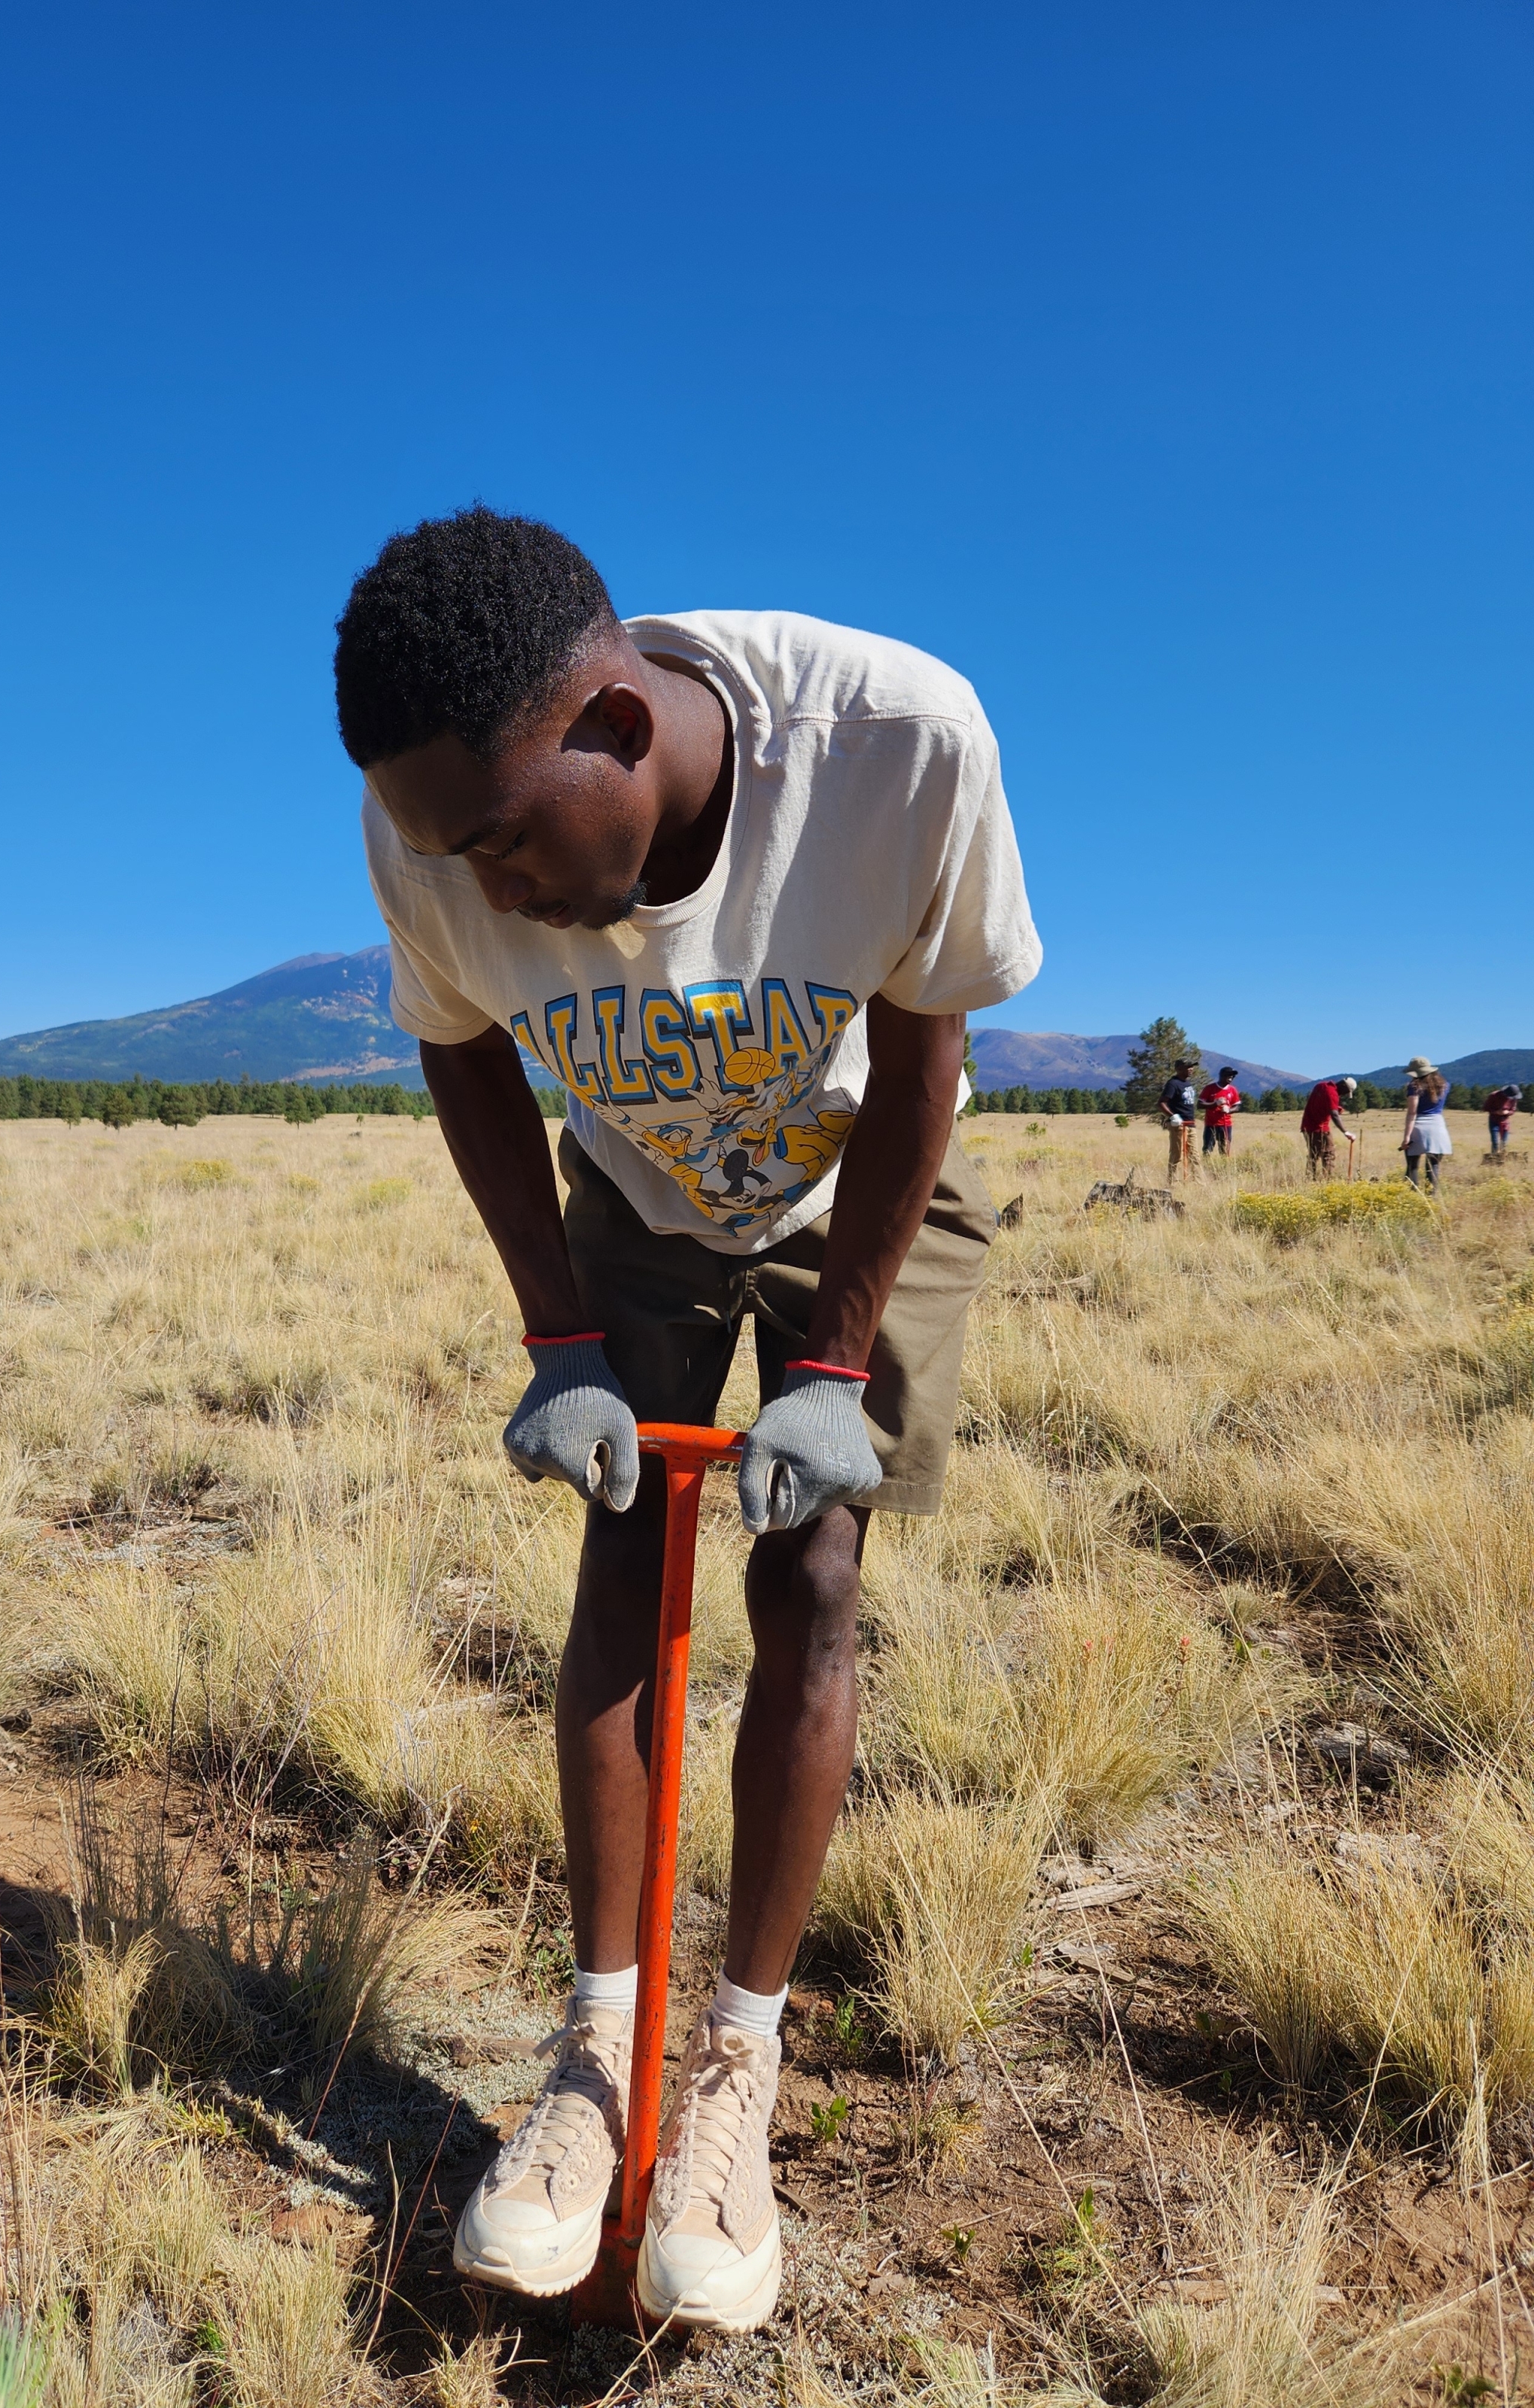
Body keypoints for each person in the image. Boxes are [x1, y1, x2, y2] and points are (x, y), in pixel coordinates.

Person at [336, 508, 1039, 2333]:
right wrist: (555, 1336)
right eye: (445, 849)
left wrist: (828, 1368)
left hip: (856, 1187)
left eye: (499, 837)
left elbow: (921, 1055)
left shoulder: (894, 745)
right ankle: (594, 2053)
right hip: (637, 1197)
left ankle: (732, 2064)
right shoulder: (427, 814)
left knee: (807, 1571)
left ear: (617, 731)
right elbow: (462, 1050)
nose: (479, 884)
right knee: (618, 1538)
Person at [1402, 1056, 1451, 1190]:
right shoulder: (1445, 1085)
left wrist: (1406, 1137)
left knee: (1413, 1167)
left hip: (1419, 1126)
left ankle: (1414, 1194)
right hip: (1438, 1126)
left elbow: (1412, 1113)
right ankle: (1431, 1197)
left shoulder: (1414, 1087)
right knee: (1433, 1166)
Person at [1299, 1074, 1358, 1177]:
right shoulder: (1333, 1094)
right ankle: (1328, 1181)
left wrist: (1335, 1107)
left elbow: (1319, 1102)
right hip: (1320, 1129)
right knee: (1328, 1155)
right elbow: (1334, 1115)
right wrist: (1346, 1132)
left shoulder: (1321, 1085)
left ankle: (1310, 1179)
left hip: (1307, 1127)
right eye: (1346, 1092)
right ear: (1344, 1087)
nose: (1344, 1095)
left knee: (1313, 1155)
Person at [1158, 1057, 1198, 1182]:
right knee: (1177, 1155)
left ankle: (1199, 1184)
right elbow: (1161, 1103)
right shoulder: (1173, 1084)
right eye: (1188, 1067)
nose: (1191, 1069)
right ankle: (1172, 1183)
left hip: (1191, 1124)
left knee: (1195, 1156)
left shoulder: (1188, 1084)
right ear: (1179, 1069)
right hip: (1178, 1125)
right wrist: (1172, 1116)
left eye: (1192, 1066)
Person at [1200, 1067, 1241, 1157]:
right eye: (1229, 1075)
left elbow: (1237, 1107)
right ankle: (1207, 1167)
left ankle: (1224, 1168)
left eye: (1232, 1076)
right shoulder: (1210, 1088)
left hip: (1226, 1124)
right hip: (1211, 1125)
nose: (1231, 1077)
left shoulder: (1233, 1090)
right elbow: (1200, 1104)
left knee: (1225, 1149)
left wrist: (1229, 1110)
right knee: (1207, 1149)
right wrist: (1214, 1104)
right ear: (1222, 1076)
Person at [1486, 1083, 1521, 1156]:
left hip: (1505, 1122)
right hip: (1494, 1121)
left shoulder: (1514, 1099)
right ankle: (1494, 1158)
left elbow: (1513, 1110)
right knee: (1495, 1142)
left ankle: (1503, 1158)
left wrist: (1508, 1112)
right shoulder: (1494, 1096)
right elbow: (1486, 1108)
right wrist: (1496, 1112)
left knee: (1504, 1143)